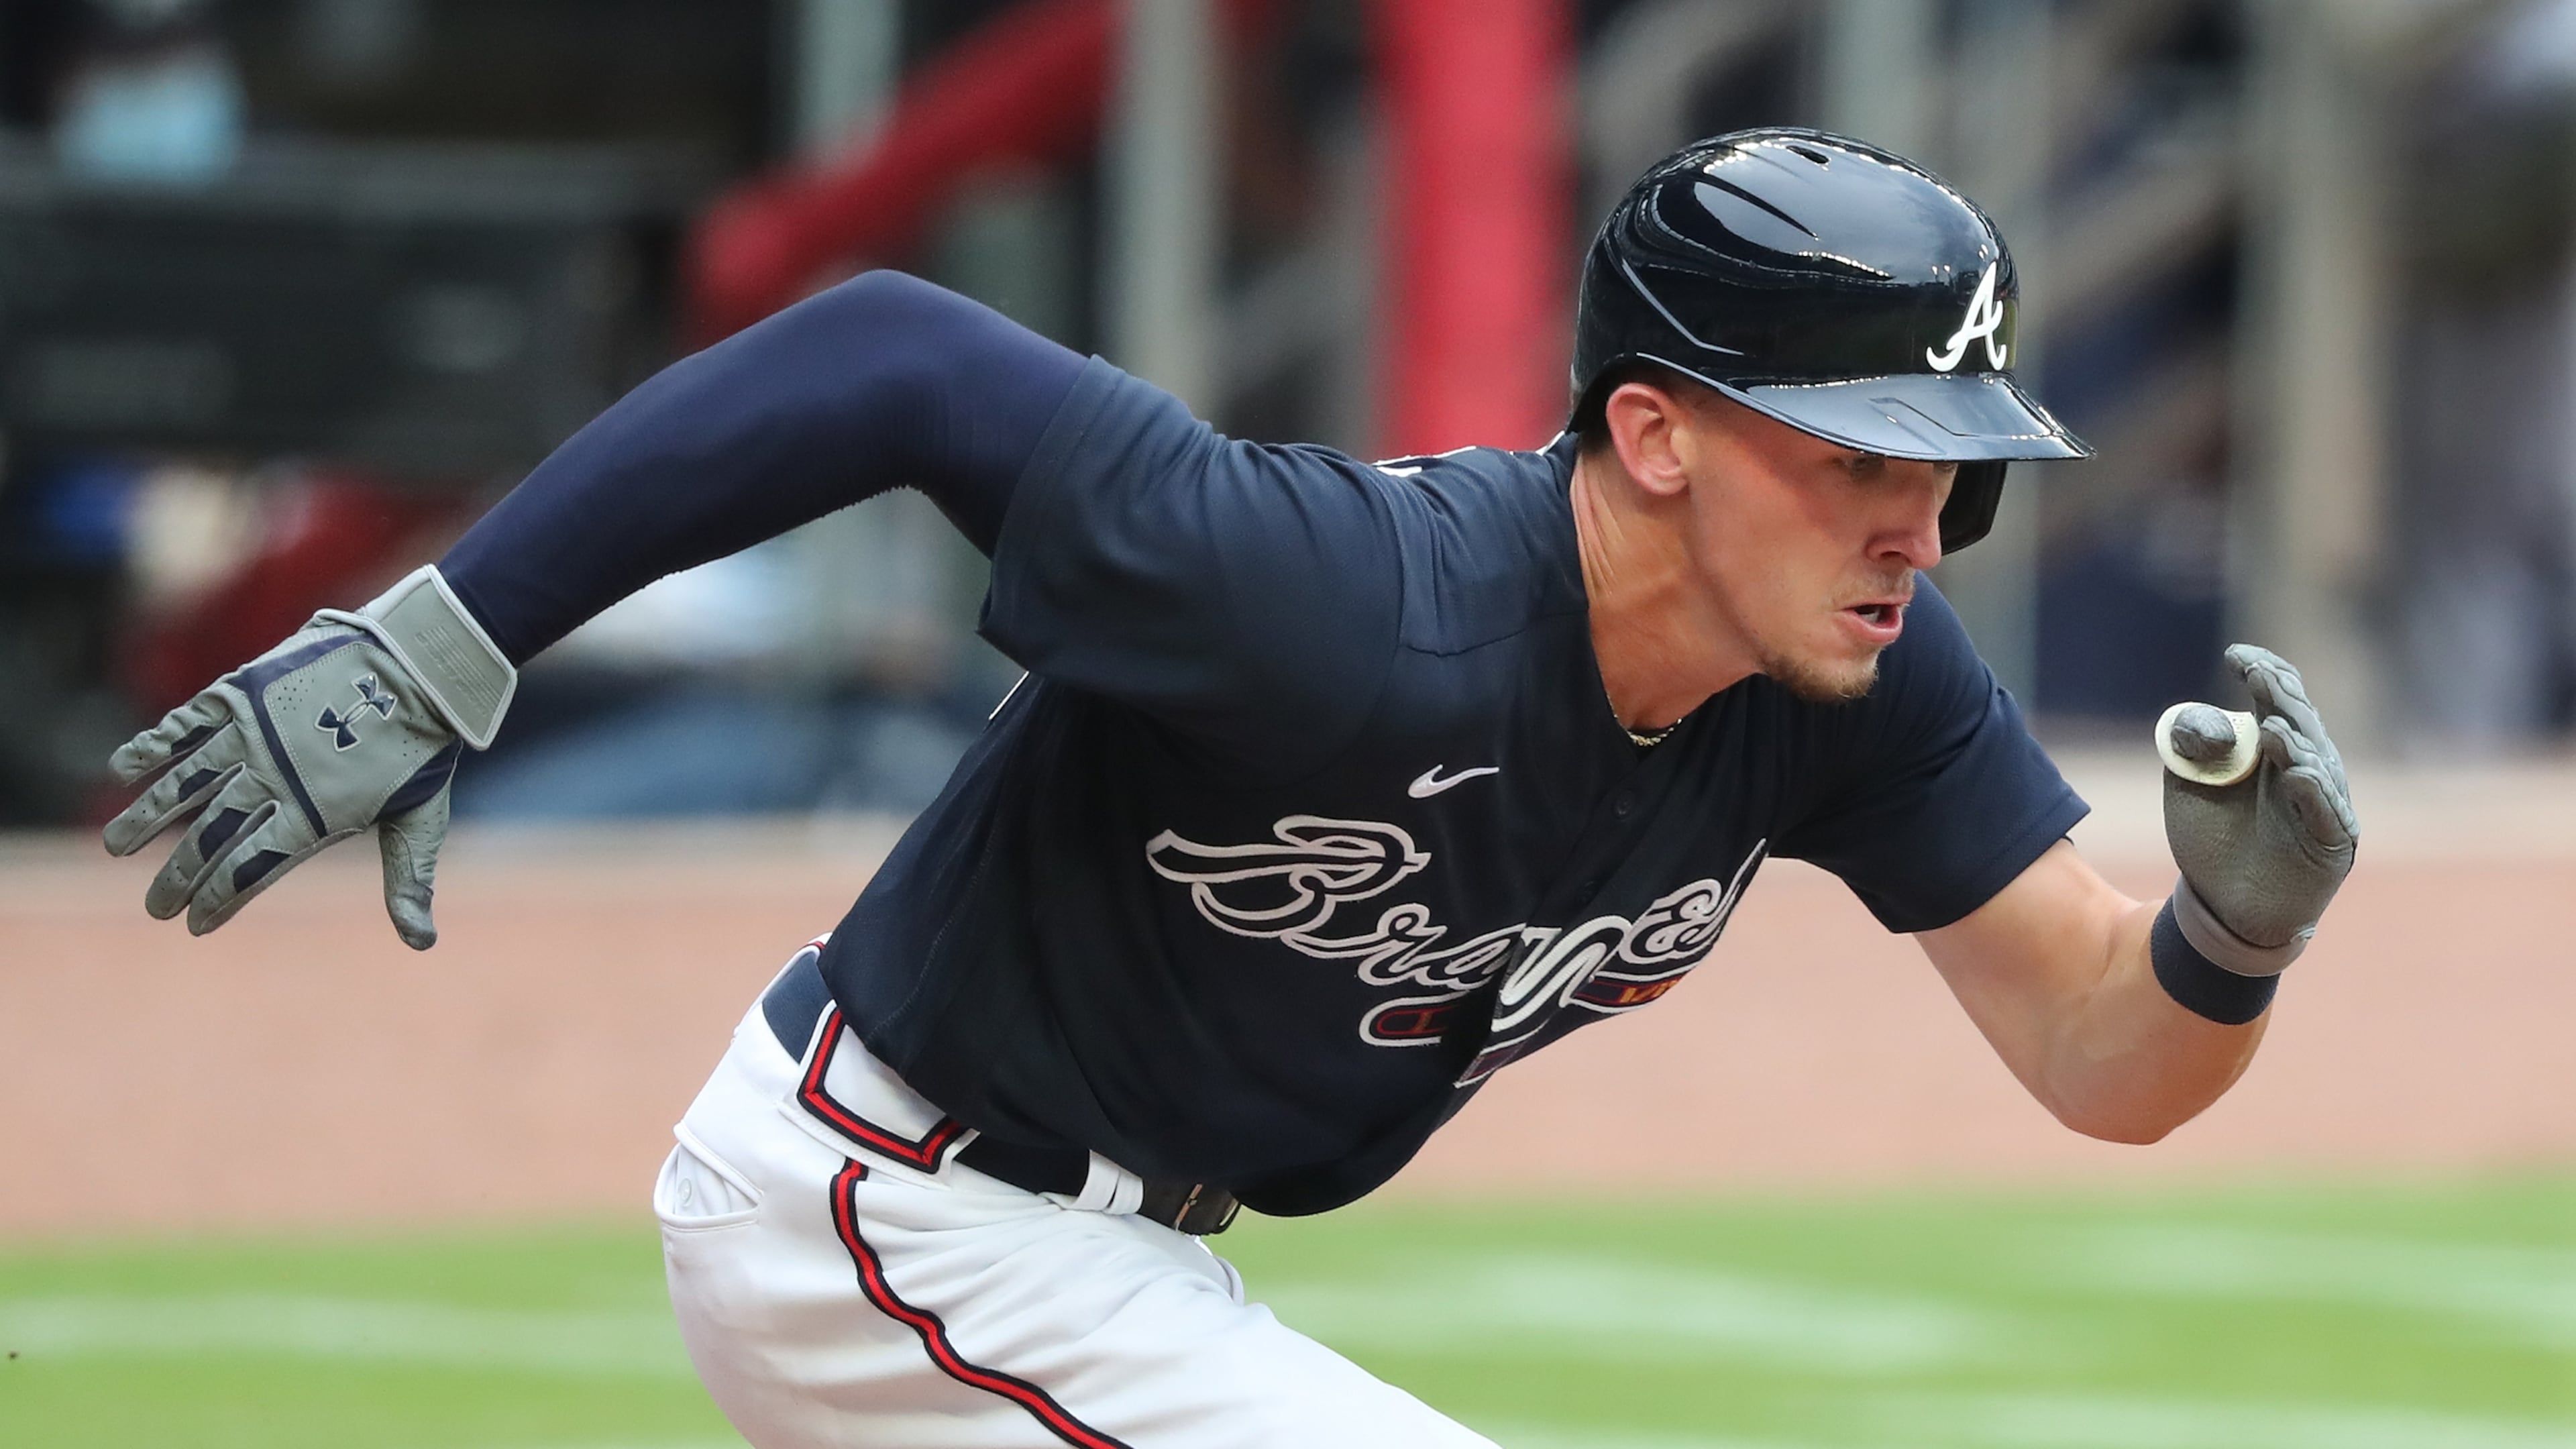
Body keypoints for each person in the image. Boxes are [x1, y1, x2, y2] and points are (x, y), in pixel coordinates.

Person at [101, 129, 2357, 1448]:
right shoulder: (1339, 596)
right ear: (1655, 431)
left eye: (1954, 473)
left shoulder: (1857, 676)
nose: (1920, 526)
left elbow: (2099, 1051)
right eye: (1862, 457)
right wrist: (452, 629)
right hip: (889, 1207)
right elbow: (890, 350)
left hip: (1110, 1263)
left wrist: (2231, 934)